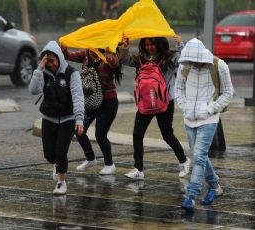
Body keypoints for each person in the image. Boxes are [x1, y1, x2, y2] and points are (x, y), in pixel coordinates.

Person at [119, 35, 191, 179]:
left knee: (167, 135)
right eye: (146, 44)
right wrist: (125, 47)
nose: (149, 47)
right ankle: (138, 169)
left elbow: (185, 62)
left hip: (165, 102)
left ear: (159, 44)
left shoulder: (169, 57)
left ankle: (184, 160)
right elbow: (125, 60)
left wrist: (180, 45)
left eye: (152, 44)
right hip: (146, 101)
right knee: (137, 134)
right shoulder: (141, 58)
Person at [175, 38, 233, 212]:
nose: (194, 64)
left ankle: (191, 196)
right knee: (200, 155)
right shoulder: (184, 66)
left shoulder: (218, 65)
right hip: (189, 119)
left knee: (199, 157)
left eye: (196, 61)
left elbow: (228, 92)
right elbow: (178, 89)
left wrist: (210, 109)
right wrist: (184, 107)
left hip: (209, 119)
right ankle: (215, 187)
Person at [29, 41, 85, 195]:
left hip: (68, 119)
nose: (51, 65)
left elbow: (78, 97)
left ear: (59, 58)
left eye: (53, 61)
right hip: (49, 118)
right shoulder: (44, 73)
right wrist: (39, 69)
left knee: (61, 152)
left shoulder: (71, 74)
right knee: (49, 154)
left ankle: (61, 182)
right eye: (48, 62)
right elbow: (33, 90)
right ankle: (56, 164)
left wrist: (79, 120)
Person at [61, 47, 122, 175]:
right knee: (78, 129)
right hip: (90, 101)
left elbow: (115, 63)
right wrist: (63, 50)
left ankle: (109, 164)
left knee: (100, 135)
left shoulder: (107, 54)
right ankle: (90, 158)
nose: (91, 46)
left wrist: (110, 56)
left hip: (108, 102)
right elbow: (69, 56)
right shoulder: (85, 54)